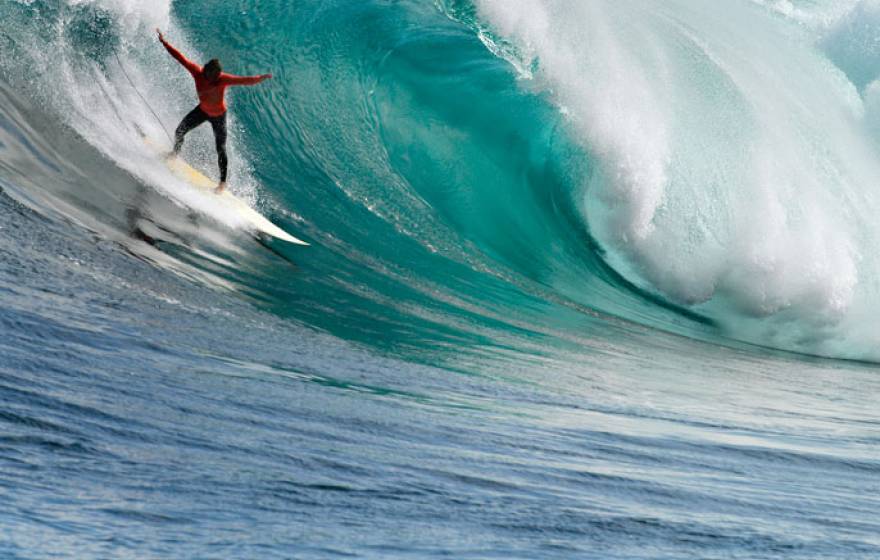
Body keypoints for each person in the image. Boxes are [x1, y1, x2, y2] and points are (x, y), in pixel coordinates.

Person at [156, 29, 272, 193]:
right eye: (215, 76)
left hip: (219, 116)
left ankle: (222, 183)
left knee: (221, 148)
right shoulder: (197, 72)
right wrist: (164, 42)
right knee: (179, 131)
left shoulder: (222, 79)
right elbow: (180, 58)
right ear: (207, 71)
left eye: (219, 76)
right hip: (202, 111)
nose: (218, 78)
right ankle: (174, 154)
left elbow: (244, 81)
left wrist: (260, 78)